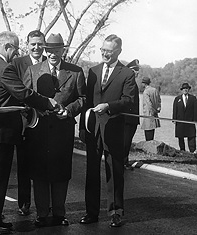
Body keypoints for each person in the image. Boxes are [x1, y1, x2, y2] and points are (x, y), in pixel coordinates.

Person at [0, 31, 59, 235]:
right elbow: (22, 92)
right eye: (16, 48)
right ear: (8, 47)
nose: (16, 53)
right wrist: (48, 102)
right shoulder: (4, 68)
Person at [23, 33, 86, 227]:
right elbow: (24, 97)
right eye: (49, 50)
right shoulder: (33, 71)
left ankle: (59, 214)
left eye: (56, 51)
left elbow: (83, 98)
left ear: (63, 51)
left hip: (63, 131)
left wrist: (69, 111)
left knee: (60, 172)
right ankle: (42, 214)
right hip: (38, 131)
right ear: (45, 50)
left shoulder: (75, 72)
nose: (52, 54)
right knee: (39, 173)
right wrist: (36, 110)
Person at [79, 34, 136, 227]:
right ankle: (91, 213)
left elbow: (129, 102)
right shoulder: (93, 71)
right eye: (102, 50)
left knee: (115, 171)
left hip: (114, 129)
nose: (104, 53)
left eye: (109, 51)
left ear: (119, 51)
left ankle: (116, 212)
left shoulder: (127, 73)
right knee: (91, 172)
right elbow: (86, 103)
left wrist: (109, 106)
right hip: (93, 129)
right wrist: (82, 128)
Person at [11, 30, 46, 216]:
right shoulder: (17, 63)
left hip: (45, 123)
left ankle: (44, 205)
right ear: (27, 44)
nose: (36, 47)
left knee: (42, 165)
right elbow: (13, 89)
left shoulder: (50, 62)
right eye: (33, 44)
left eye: (40, 44)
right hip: (24, 121)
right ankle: (24, 203)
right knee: (23, 164)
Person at [124, 59, 140, 170]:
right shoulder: (128, 84)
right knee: (125, 141)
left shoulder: (133, 83)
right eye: (135, 71)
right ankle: (123, 162)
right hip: (127, 119)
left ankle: (124, 160)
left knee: (127, 141)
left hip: (132, 119)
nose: (137, 73)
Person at [172, 82, 197, 153]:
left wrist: (195, 120)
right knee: (180, 137)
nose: (185, 90)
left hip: (190, 122)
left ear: (189, 89)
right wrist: (174, 119)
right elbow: (175, 110)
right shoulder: (177, 99)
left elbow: (195, 110)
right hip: (180, 122)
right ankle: (182, 151)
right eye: (184, 88)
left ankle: (193, 152)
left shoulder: (193, 98)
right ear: (182, 90)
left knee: (191, 137)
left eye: (187, 88)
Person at [141, 77, 161, 141]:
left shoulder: (146, 92)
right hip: (154, 114)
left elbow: (149, 103)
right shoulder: (155, 90)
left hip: (148, 115)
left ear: (144, 83)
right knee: (152, 133)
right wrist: (158, 109)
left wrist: (152, 112)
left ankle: (149, 149)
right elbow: (159, 101)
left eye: (142, 83)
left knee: (148, 135)